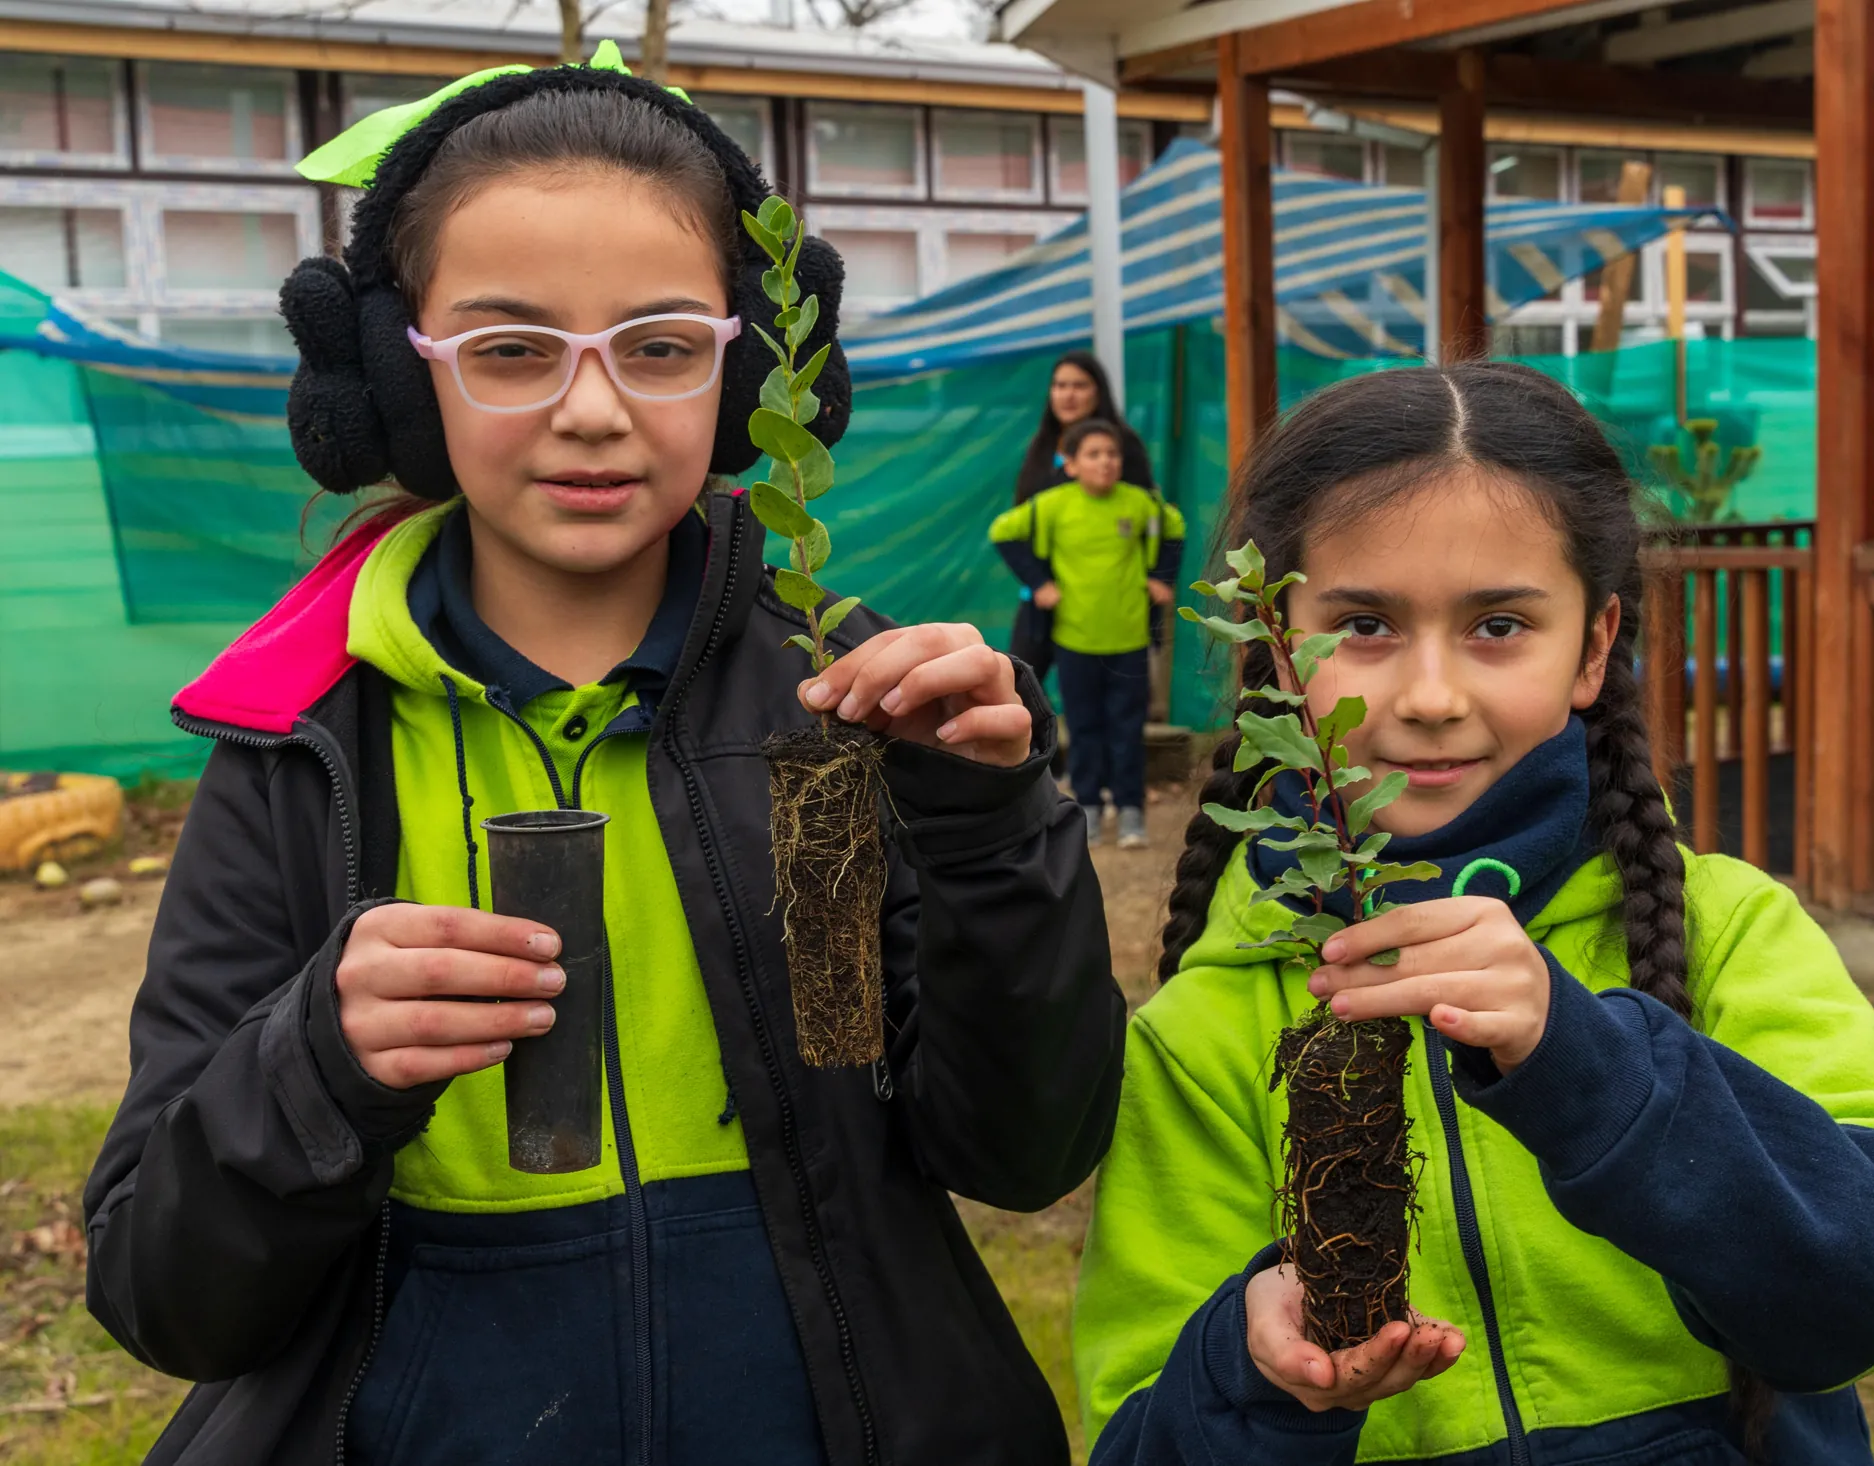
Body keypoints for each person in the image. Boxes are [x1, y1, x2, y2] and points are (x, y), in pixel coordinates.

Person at [81, 54, 1124, 1466]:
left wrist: (985, 825)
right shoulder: (306, 750)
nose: (593, 409)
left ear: (748, 369)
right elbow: (166, 1294)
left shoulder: (828, 712)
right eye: (511, 349)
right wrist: (318, 1060)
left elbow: (1014, 1153)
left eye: (660, 344)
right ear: (398, 374)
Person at [1072, 361, 1874, 1464]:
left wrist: (1587, 1058)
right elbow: (1137, 1436)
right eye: (1362, 623)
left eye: (1498, 624)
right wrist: (1251, 1372)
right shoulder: (1208, 1026)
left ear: (1593, 645)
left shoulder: (1730, 931)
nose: (1431, 694)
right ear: (1275, 653)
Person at [990, 417, 1183, 849]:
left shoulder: (1139, 504)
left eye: (1112, 454)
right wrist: (1039, 583)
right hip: (1074, 641)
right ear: (1072, 463)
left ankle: (1132, 811)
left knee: (1127, 728)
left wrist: (1162, 578)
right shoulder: (1052, 505)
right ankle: (1090, 809)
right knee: (1083, 726)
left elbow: (1174, 529)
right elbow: (1001, 532)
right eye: (1094, 454)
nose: (1106, 462)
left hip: (1130, 640)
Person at [1012, 349, 1157, 505]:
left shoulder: (1123, 442)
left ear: (1098, 392)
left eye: (1080, 386)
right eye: (1060, 386)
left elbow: (1143, 506)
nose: (1068, 395)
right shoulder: (1041, 445)